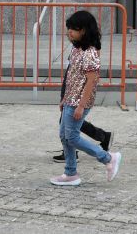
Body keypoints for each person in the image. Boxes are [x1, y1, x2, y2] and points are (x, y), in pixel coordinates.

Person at [50, 10, 122, 187]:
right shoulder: (76, 49)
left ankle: (108, 158)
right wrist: (64, 98)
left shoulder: (90, 52)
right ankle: (70, 173)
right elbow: (72, 76)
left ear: (83, 30)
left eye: (73, 29)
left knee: (72, 137)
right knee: (64, 135)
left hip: (79, 101)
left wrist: (81, 105)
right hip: (70, 99)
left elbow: (91, 81)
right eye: (68, 29)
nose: (69, 32)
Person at [52, 58, 115, 163]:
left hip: (77, 94)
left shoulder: (88, 50)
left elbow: (90, 79)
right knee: (68, 125)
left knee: (70, 129)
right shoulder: (77, 49)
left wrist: (81, 105)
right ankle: (70, 168)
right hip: (72, 89)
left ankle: (104, 153)